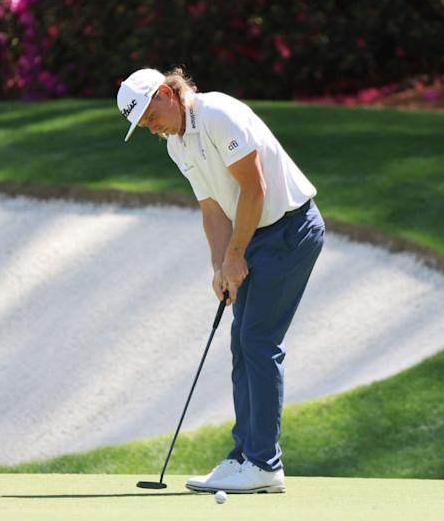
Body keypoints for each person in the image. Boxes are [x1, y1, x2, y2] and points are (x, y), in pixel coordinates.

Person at [116, 67, 324, 494]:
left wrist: (235, 255)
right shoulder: (177, 144)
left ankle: (265, 464)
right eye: (140, 124)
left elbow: (254, 187)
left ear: (164, 93)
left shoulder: (217, 114)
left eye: (148, 115)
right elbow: (212, 210)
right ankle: (245, 456)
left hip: (289, 229)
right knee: (241, 343)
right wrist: (219, 267)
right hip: (254, 236)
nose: (148, 127)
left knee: (258, 341)